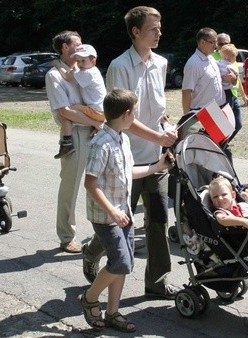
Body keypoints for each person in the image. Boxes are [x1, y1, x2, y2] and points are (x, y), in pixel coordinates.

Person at [82, 6, 179, 299]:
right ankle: (93, 249)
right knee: (118, 219)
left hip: (156, 158)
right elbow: (124, 116)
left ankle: (157, 281)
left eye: (160, 27)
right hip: (125, 159)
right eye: (153, 28)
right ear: (136, 32)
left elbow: (157, 110)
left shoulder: (160, 63)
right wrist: (158, 136)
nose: (159, 32)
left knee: (159, 220)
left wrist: (168, 127)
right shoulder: (119, 66)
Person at [79, 88, 171, 332]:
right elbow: (90, 183)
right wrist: (112, 212)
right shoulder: (101, 143)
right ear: (127, 113)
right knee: (122, 263)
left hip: (123, 214)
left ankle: (112, 313)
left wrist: (157, 166)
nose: (137, 116)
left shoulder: (123, 138)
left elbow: (129, 172)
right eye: (136, 111)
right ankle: (89, 298)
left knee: (123, 263)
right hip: (107, 216)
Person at [45, 31, 104, 253]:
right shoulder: (54, 75)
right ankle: (66, 235)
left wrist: (97, 124)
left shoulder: (82, 69)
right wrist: (95, 123)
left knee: (98, 183)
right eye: (76, 45)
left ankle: (102, 232)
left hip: (93, 130)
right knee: (70, 186)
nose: (81, 48)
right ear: (64, 48)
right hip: (76, 134)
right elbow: (65, 111)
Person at [51, 44, 106, 159]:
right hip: (100, 110)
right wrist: (76, 66)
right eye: (78, 61)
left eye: (83, 61)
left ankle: (67, 143)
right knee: (68, 111)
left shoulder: (87, 73)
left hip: (96, 111)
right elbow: (75, 71)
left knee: (66, 112)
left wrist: (57, 64)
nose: (79, 64)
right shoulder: (91, 70)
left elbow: (67, 77)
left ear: (93, 61)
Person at [182, 27, 230, 114]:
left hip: (219, 109)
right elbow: (186, 92)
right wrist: (187, 118)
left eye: (216, 42)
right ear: (202, 42)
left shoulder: (211, 58)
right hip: (203, 112)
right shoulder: (193, 63)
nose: (216, 46)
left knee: (231, 127)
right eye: (213, 42)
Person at [213, 33, 248, 142]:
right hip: (219, 96)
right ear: (216, 44)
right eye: (221, 43)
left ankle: (223, 144)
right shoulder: (212, 58)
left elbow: (236, 80)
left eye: (226, 43)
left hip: (233, 95)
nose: (224, 45)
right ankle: (219, 146)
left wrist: (243, 95)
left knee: (237, 124)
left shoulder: (232, 59)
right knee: (221, 126)